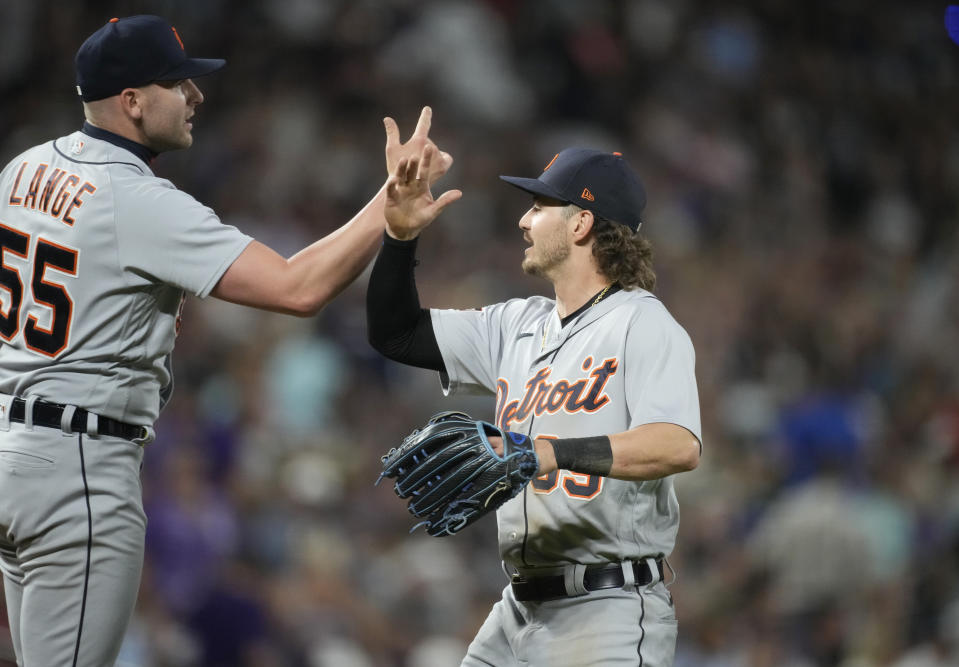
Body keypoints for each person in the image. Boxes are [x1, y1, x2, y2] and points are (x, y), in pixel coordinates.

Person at [0, 14, 450, 667]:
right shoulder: (136, 199)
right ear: (131, 101)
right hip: (78, 467)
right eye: (178, 83)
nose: (196, 96)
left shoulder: (23, 168)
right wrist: (392, 199)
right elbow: (299, 287)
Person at [367, 147, 702, 666]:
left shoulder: (642, 323)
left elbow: (677, 445)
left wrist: (545, 452)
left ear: (581, 224)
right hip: (517, 610)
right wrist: (399, 238)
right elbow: (397, 333)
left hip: (607, 612)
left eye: (540, 206)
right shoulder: (514, 325)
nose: (524, 220)